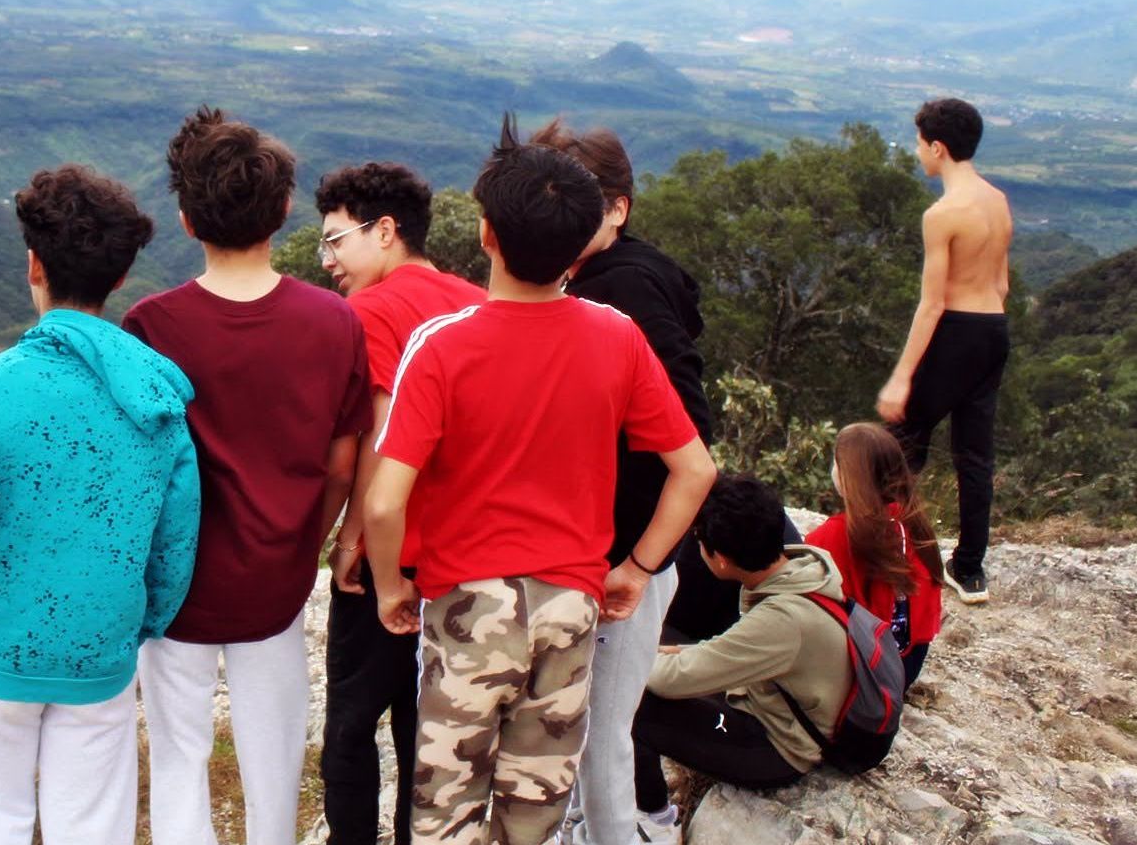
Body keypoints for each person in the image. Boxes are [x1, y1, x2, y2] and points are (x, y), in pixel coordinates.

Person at [362, 118, 716, 845]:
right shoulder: (617, 336)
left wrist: (392, 586)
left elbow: (386, 500)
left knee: (446, 813)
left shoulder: (442, 345)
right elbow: (695, 468)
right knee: (535, 814)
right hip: (570, 609)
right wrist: (637, 568)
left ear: (486, 234)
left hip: (467, 609)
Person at [0, 165, 202, 845]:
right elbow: (176, 538)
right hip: (100, 652)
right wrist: (140, 625)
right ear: (121, 277)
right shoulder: (158, 400)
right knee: (93, 829)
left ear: (33, 265)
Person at [126, 106, 373, 845]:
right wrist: (311, 538)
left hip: (178, 585)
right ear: (285, 209)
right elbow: (342, 462)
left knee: (179, 756)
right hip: (278, 580)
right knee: (276, 758)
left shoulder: (151, 325)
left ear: (184, 218)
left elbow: (141, 468)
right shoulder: (334, 320)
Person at [531, 119, 712, 845]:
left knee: (601, 738)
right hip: (614, 552)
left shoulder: (623, 288)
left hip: (622, 559)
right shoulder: (610, 276)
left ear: (617, 208)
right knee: (590, 731)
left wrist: (637, 561)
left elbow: (688, 430)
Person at [314, 161, 484, 845]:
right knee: (428, 730)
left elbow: (381, 435)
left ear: (384, 231)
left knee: (351, 728)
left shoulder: (368, 312)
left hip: (392, 558)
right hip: (463, 558)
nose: (327, 260)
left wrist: (351, 538)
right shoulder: (476, 301)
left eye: (335, 240)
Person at [633, 475, 853, 801]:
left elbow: (670, 681)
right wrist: (665, 650)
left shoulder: (783, 620)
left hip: (777, 747)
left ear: (721, 558)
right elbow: (732, 648)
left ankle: (651, 812)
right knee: (658, 642)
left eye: (700, 542)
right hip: (763, 698)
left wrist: (630, 659)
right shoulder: (798, 567)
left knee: (631, 702)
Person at [877, 97, 1013, 606]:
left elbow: (931, 304)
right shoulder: (998, 201)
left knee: (901, 443)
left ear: (937, 147)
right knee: (974, 455)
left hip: (954, 329)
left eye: (919, 144)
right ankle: (970, 569)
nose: (918, 153)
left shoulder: (942, 214)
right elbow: (1002, 284)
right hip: (994, 329)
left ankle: (884, 552)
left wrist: (901, 377)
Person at [804, 422, 945, 688]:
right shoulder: (915, 524)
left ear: (848, 476)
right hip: (905, 670)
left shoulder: (829, 537)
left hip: (859, 678)